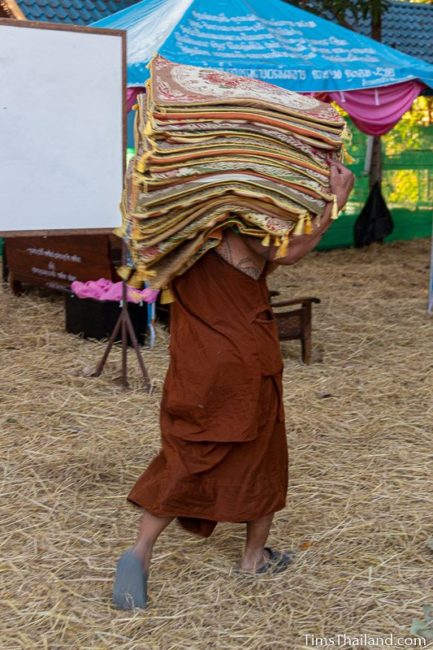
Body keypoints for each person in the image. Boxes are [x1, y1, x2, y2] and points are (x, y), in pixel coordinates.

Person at [112, 160, 354, 610]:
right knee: (262, 455)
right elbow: (288, 250)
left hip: (194, 365)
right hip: (243, 364)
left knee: (186, 456)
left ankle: (139, 552)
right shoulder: (240, 230)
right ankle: (252, 558)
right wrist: (333, 205)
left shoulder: (176, 232)